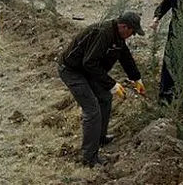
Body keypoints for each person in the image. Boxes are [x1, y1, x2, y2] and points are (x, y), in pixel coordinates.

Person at [57, 12, 146, 167]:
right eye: (132, 32)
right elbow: (89, 63)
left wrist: (137, 78)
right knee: (92, 111)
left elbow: (125, 57)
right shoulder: (104, 33)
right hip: (71, 70)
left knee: (105, 98)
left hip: (85, 69)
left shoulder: (118, 36)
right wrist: (112, 84)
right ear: (123, 27)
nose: (132, 36)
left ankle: (100, 137)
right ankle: (89, 158)